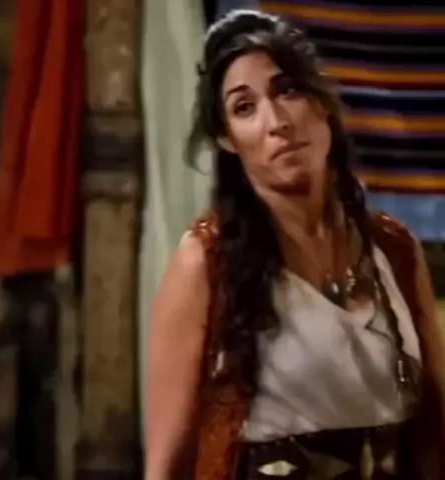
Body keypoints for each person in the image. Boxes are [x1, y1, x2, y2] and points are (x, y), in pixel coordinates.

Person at [145, 10, 445, 480]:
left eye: (287, 91)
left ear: (322, 103)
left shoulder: (394, 249)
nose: (276, 122)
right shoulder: (206, 260)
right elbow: (166, 465)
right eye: (245, 108)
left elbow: (434, 434)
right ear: (227, 139)